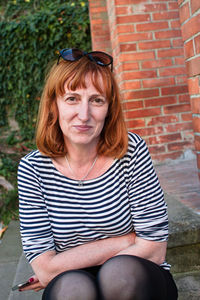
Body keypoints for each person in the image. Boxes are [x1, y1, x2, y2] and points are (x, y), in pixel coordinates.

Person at [18, 48, 178, 300]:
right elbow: (44, 268)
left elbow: (154, 249)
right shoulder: (32, 169)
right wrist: (125, 240)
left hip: (136, 275)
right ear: (53, 105)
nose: (84, 115)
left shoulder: (131, 150)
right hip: (71, 281)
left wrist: (69, 261)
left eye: (96, 100)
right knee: (73, 290)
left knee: (119, 275)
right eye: (72, 99)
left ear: (109, 109)